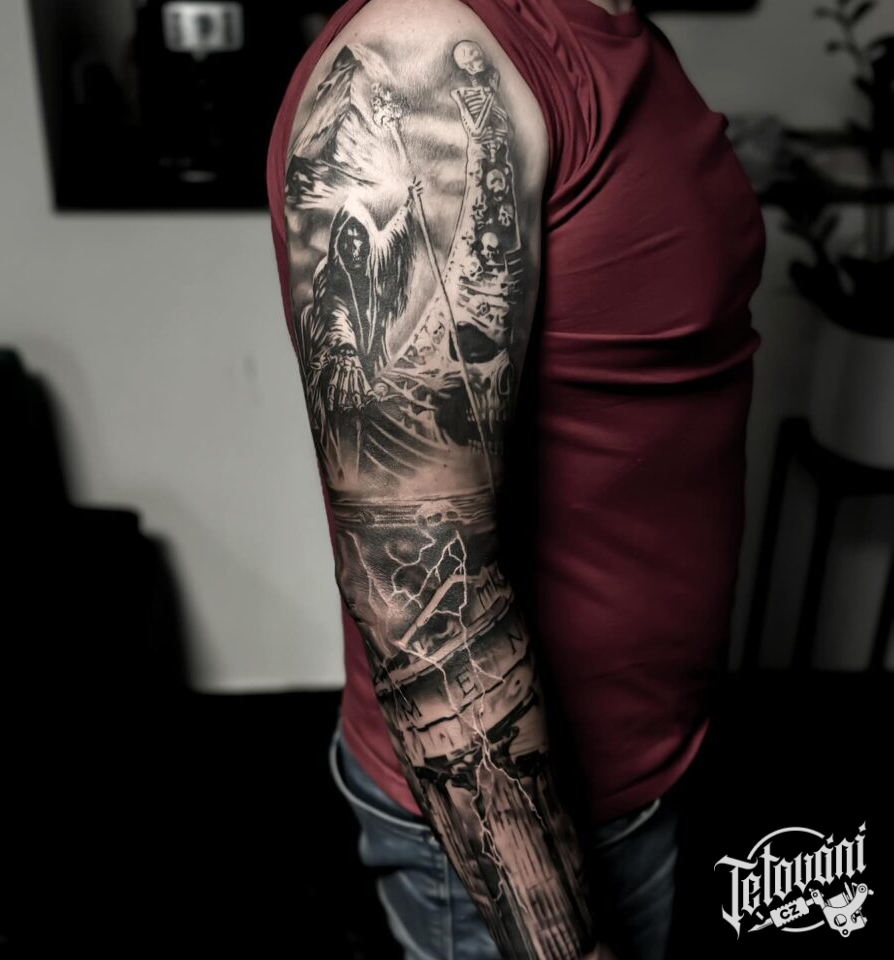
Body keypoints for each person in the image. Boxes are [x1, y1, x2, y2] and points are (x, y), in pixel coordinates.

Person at [266, 1, 765, 958]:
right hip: (528, 827)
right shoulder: (421, 52)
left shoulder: (615, 31)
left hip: (645, 757)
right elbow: (415, 591)